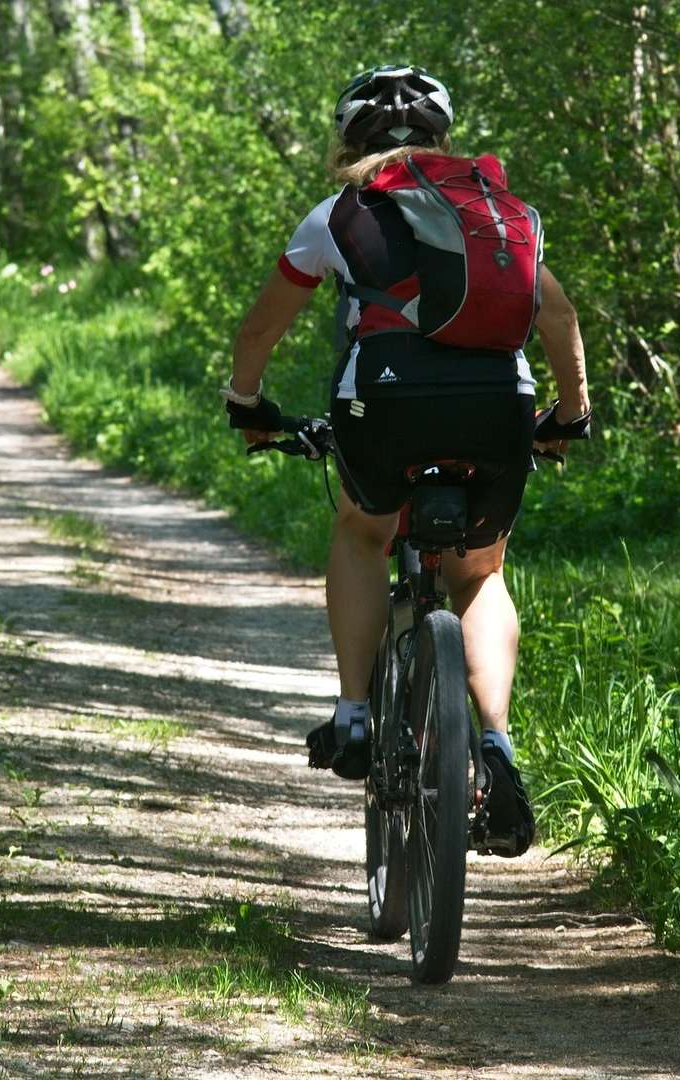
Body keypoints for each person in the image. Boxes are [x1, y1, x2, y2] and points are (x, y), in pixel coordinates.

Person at [223, 65, 592, 855]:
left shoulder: (338, 215)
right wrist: (570, 416)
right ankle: (496, 744)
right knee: (480, 574)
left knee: (363, 530)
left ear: (348, 141)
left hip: (384, 405)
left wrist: (247, 407)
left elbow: (259, 333)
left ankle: (355, 716)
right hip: (499, 405)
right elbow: (556, 312)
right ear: (441, 137)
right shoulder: (497, 211)